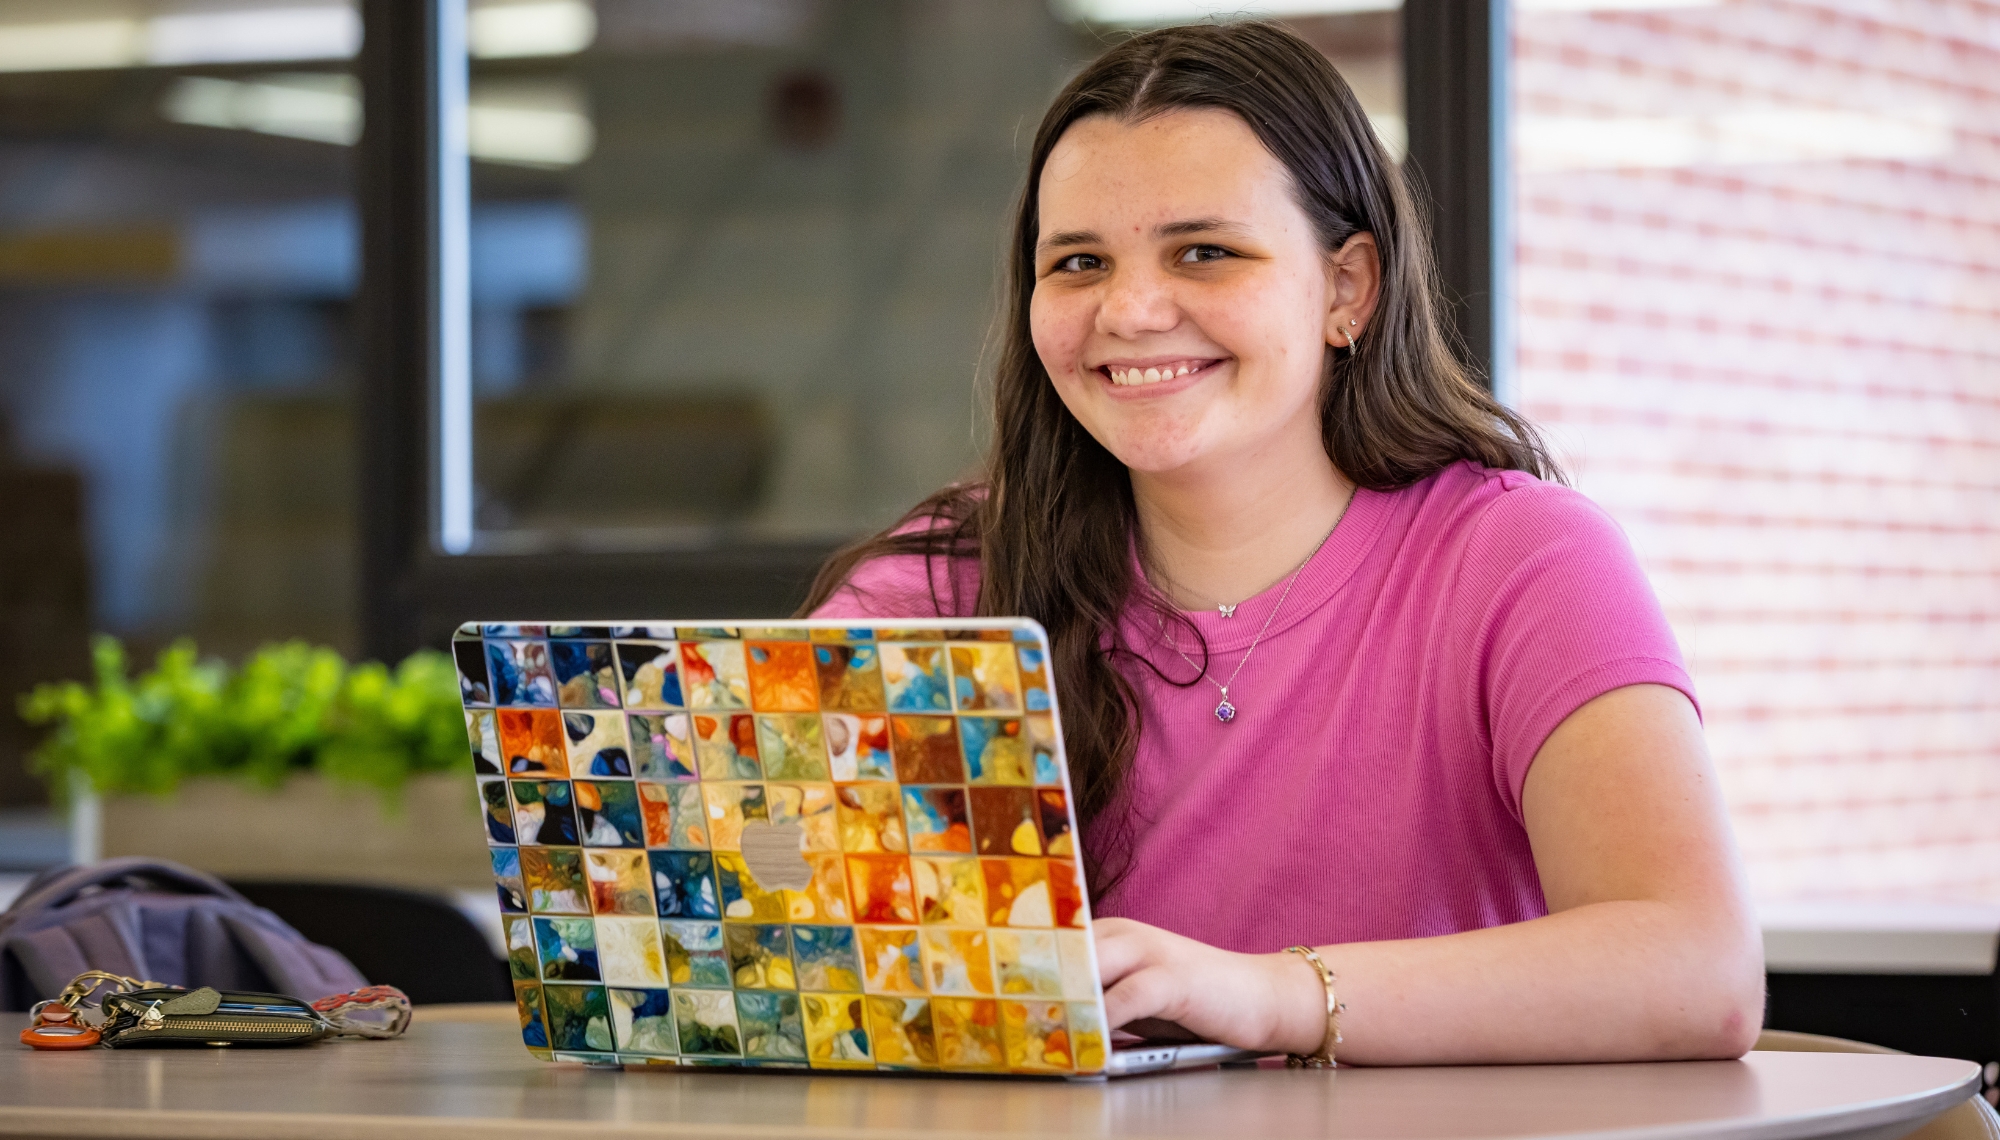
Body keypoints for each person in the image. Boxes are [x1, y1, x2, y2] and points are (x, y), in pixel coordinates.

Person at [800, 21, 1763, 1065]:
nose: (1128, 309)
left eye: (1203, 252)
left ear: (1346, 289)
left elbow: (1695, 970)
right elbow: (752, 918)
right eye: (1077, 262)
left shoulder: (1519, 561)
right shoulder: (942, 582)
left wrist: (1274, 996)